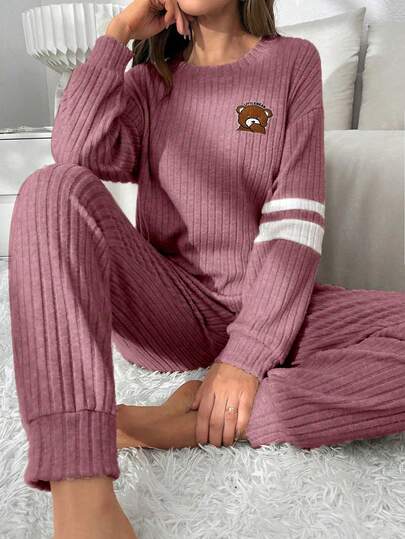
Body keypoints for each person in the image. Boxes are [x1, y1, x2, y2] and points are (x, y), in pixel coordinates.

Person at [8, 0, 405, 537]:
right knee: (51, 187)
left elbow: (295, 219)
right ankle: (81, 490)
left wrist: (245, 357)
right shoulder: (150, 81)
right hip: (169, 308)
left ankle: (189, 424)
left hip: (273, 305)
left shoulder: (293, 61)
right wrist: (117, 34)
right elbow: (75, 150)